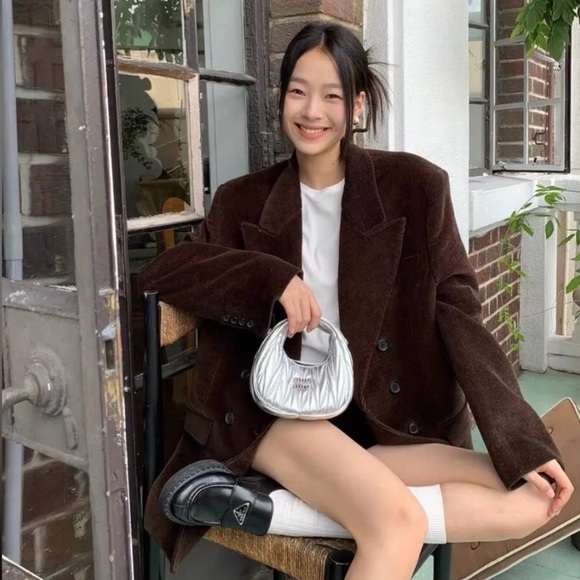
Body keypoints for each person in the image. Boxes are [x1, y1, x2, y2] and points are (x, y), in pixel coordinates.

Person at [138, 21, 574, 580]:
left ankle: (275, 512)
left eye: (332, 95)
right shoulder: (240, 200)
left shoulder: (415, 188)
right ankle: (351, 509)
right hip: (272, 417)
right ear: (281, 97)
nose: (311, 111)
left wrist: (523, 441)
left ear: (358, 104)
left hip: (377, 426)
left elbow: (461, 317)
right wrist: (270, 279)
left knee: (533, 499)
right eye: (298, 91)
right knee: (397, 525)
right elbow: (163, 272)